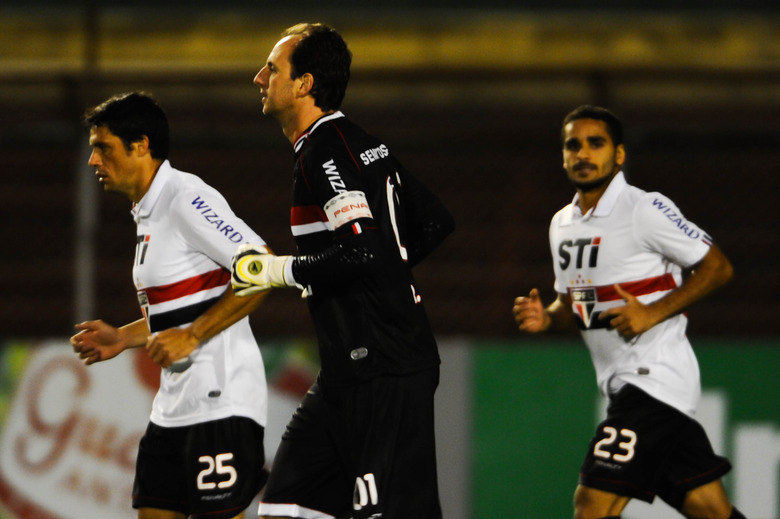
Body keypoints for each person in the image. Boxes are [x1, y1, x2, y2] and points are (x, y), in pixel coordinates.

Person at [231, 23, 454, 519]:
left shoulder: (324, 150)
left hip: (385, 366)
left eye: (272, 68)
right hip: (347, 371)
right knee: (284, 507)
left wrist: (277, 271)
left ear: (305, 83)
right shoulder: (359, 141)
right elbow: (434, 222)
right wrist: (387, 276)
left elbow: (364, 251)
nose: (258, 77)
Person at [512, 105, 744, 519]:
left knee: (592, 505)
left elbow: (718, 267)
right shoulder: (561, 224)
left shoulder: (644, 209)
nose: (583, 154)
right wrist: (547, 317)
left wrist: (653, 312)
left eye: (595, 143)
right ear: (563, 156)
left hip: (653, 378)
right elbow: (572, 304)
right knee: (712, 510)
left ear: (618, 155)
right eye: (573, 145)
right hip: (626, 386)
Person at [70, 91, 271, 519]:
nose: (93, 162)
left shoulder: (185, 198)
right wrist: (123, 337)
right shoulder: (148, 212)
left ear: (140, 144)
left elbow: (262, 267)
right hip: (173, 408)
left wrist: (194, 335)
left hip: (221, 402)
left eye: (102, 148)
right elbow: (181, 306)